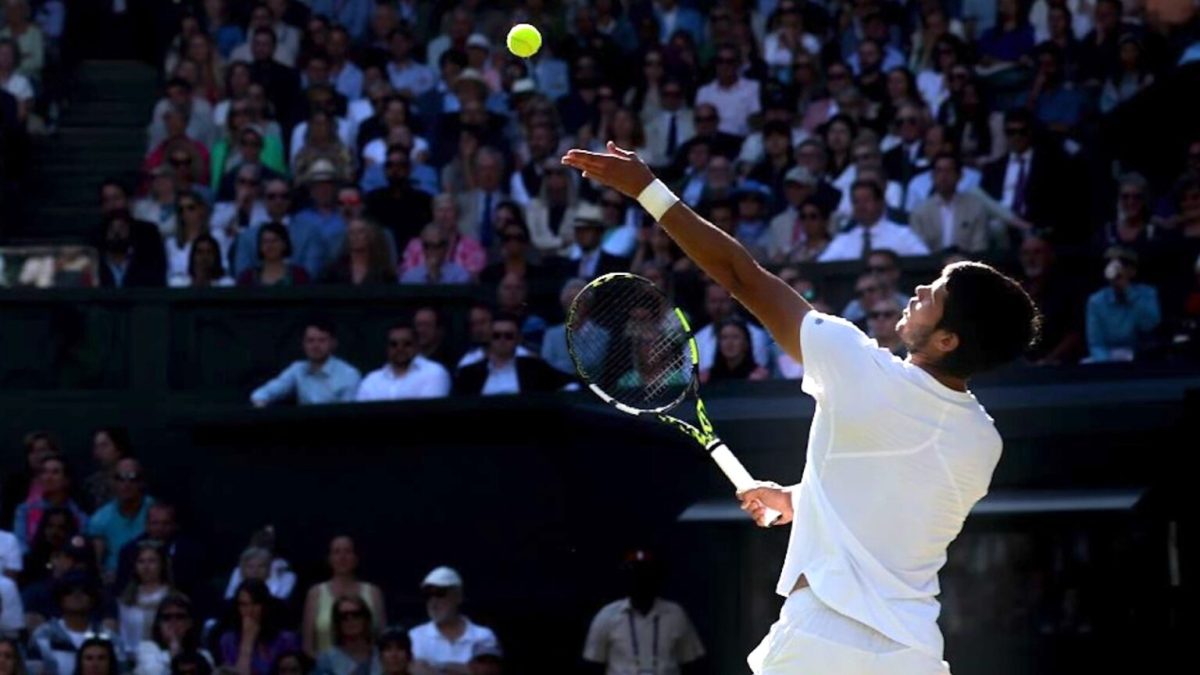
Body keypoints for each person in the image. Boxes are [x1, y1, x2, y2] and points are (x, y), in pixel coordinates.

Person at [561, 141, 1040, 674]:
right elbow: (891, 499)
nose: (920, 289)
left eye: (934, 294)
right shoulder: (983, 441)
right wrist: (801, 498)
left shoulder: (856, 366)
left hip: (820, 642)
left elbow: (740, 274)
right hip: (915, 655)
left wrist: (646, 190)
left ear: (948, 339)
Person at [582, 550, 705, 675]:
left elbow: (691, 662)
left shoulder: (676, 614)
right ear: (626, 578)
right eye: (635, 575)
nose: (640, 581)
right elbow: (593, 664)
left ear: (656, 578)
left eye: (646, 575)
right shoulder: (607, 616)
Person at [302, 537, 386, 656]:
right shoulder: (315, 594)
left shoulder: (374, 593)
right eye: (336, 552)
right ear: (329, 559)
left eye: (347, 551)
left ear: (356, 558)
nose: (342, 557)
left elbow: (383, 640)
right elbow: (307, 647)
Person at [408, 568, 499, 675]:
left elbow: (487, 672)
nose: (433, 602)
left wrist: (436, 668)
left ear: (458, 596)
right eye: (428, 595)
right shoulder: (414, 637)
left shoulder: (483, 636)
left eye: (440, 593)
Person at [452, 314, 572, 396]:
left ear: (518, 339)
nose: (502, 340)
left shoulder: (536, 369)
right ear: (489, 338)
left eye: (508, 336)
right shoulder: (468, 374)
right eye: (496, 335)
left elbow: (570, 383)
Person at [29, 571, 123, 675]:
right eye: (69, 591)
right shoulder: (42, 635)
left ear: (93, 598)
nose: (76, 595)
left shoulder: (110, 638)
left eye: (84, 590)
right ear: (60, 598)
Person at [251, 321, 362, 407]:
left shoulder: (349, 374)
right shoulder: (297, 369)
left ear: (333, 343)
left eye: (322, 340)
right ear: (303, 344)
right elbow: (261, 394)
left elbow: (348, 416)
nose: (315, 346)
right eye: (310, 340)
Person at [1085, 248, 1162, 362]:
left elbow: (1149, 325)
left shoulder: (1148, 293)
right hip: (1107, 361)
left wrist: (1128, 292)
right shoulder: (1096, 301)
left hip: (1140, 359)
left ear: (1132, 271)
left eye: (1121, 265)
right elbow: (1096, 344)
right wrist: (1107, 367)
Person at [86, 457, 154, 578]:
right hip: (116, 580)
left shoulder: (155, 512)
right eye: (120, 478)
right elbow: (96, 565)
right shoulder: (100, 519)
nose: (126, 484)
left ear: (142, 482)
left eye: (133, 478)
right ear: (112, 482)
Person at [218, 580, 300, 675]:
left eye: (255, 604)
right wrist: (247, 642)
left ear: (265, 605)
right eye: (244, 605)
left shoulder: (287, 640)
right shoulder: (228, 641)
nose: (250, 610)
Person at [356, 323, 452, 401]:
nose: (400, 349)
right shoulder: (371, 380)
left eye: (407, 344)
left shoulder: (434, 373)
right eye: (394, 344)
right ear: (387, 348)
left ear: (417, 346)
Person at [134, 593, 212, 675]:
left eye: (180, 616)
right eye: (167, 617)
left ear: (190, 623)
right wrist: (173, 652)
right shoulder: (145, 648)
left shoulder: (204, 655)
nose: (173, 622)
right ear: (159, 623)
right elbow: (153, 672)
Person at [117, 542, 172, 653]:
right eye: (141, 561)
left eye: (152, 561)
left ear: (162, 564)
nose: (146, 566)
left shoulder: (171, 596)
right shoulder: (126, 598)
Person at [313, 596, 381, 675]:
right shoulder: (326, 659)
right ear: (337, 622)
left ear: (366, 618)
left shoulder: (382, 654)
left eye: (356, 614)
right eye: (343, 616)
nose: (350, 619)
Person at [701, 320, 771, 383]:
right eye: (724, 337)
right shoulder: (706, 377)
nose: (729, 343)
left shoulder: (759, 376)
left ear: (746, 343)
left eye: (735, 337)